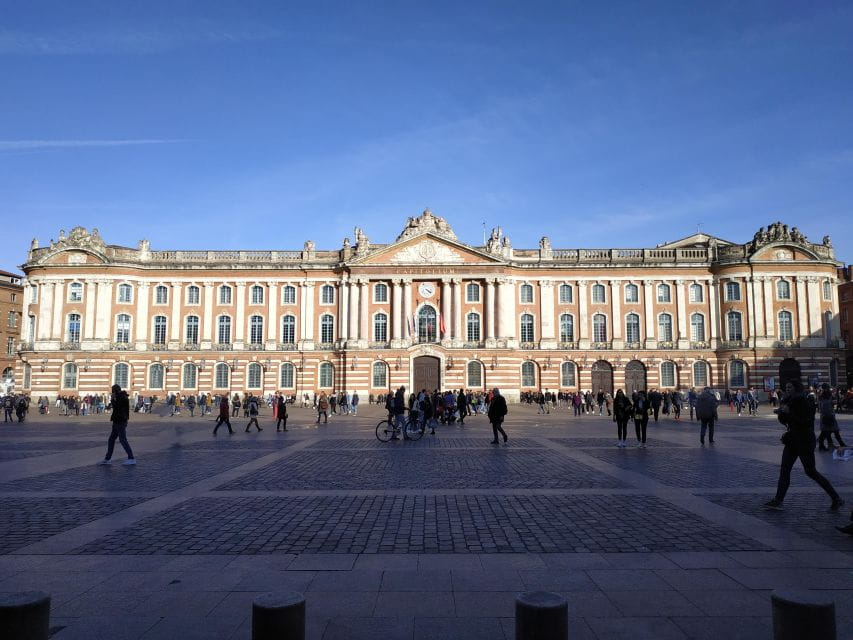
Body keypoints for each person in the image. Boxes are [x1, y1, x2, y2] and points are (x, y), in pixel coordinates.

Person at [764, 380, 844, 512]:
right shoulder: (787, 400)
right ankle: (778, 500)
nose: (787, 388)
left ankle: (836, 498)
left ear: (796, 388)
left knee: (811, 471)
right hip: (792, 441)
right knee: (785, 469)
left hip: (805, 441)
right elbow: (785, 421)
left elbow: (805, 422)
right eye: (786, 387)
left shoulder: (804, 401)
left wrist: (789, 412)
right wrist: (782, 413)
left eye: (790, 386)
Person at [98, 384, 135, 465]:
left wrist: (112, 399)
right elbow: (114, 407)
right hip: (117, 421)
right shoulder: (120, 397)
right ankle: (108, 459)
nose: (112, 392)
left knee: (122, 440)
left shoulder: (122, 397)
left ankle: (131, 458)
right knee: (111, 439)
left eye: (113, 390)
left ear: (115, 390)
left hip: (121, 421)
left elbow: (117, 407)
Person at [817, 384, 846, 450]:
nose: (828, 389)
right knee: (827, 432)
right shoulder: (823, 396)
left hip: (828, 416)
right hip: (827, 417)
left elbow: (827, 405)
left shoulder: (826, 395)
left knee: (830, 431)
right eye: (827, 388)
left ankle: (832, 444)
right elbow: (823, 407)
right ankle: (824, 445)